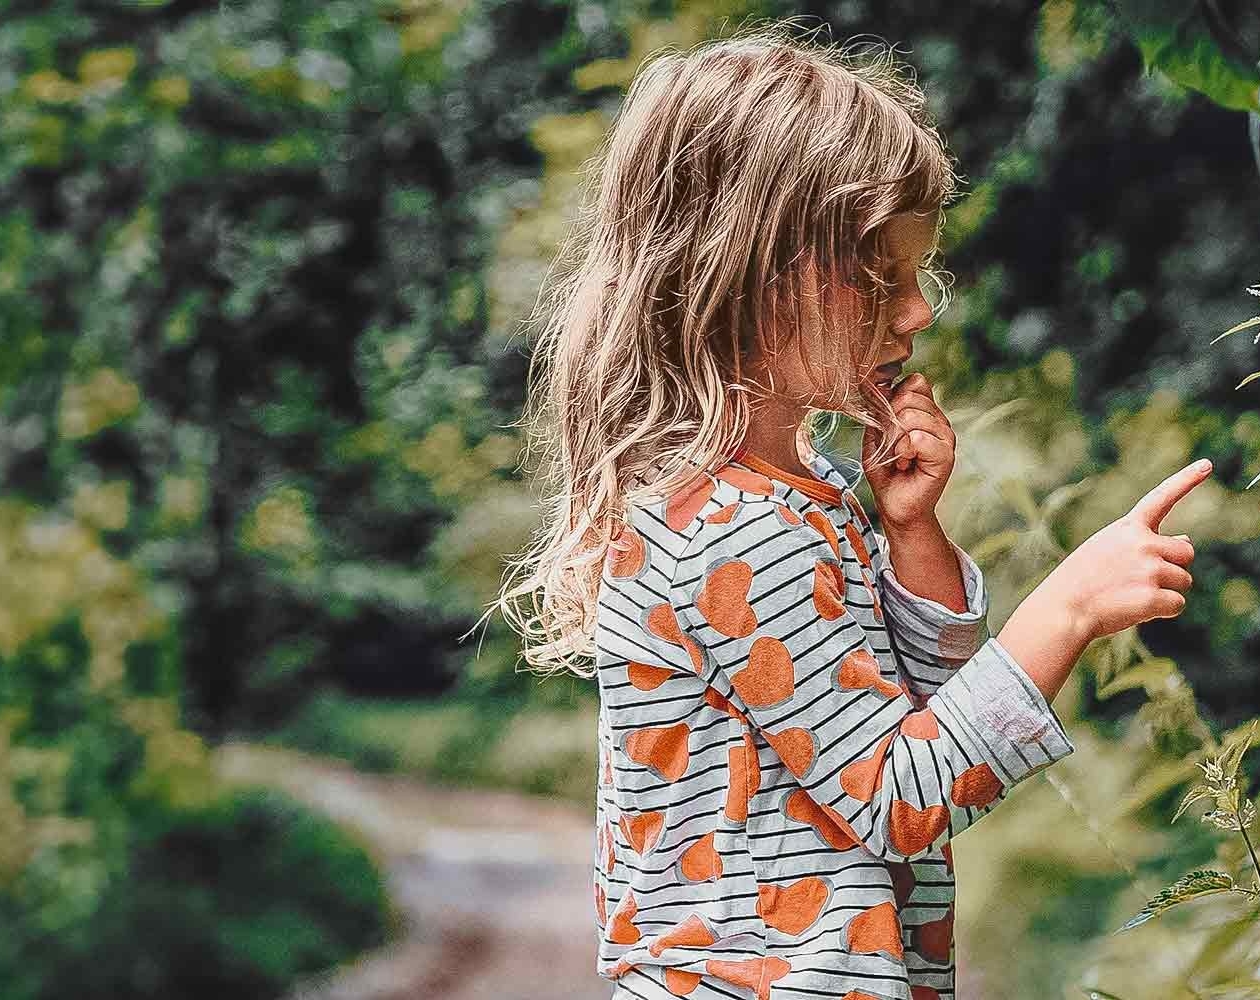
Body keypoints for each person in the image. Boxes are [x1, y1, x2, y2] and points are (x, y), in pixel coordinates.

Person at [499, 26, 1211, 1000]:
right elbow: (901, 794)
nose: (919, 313)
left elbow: (917, 721)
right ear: (751, 276)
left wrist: (911, 532)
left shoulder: (792, 499)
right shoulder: (738, 538)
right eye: (885, 278)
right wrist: (1067, 610)